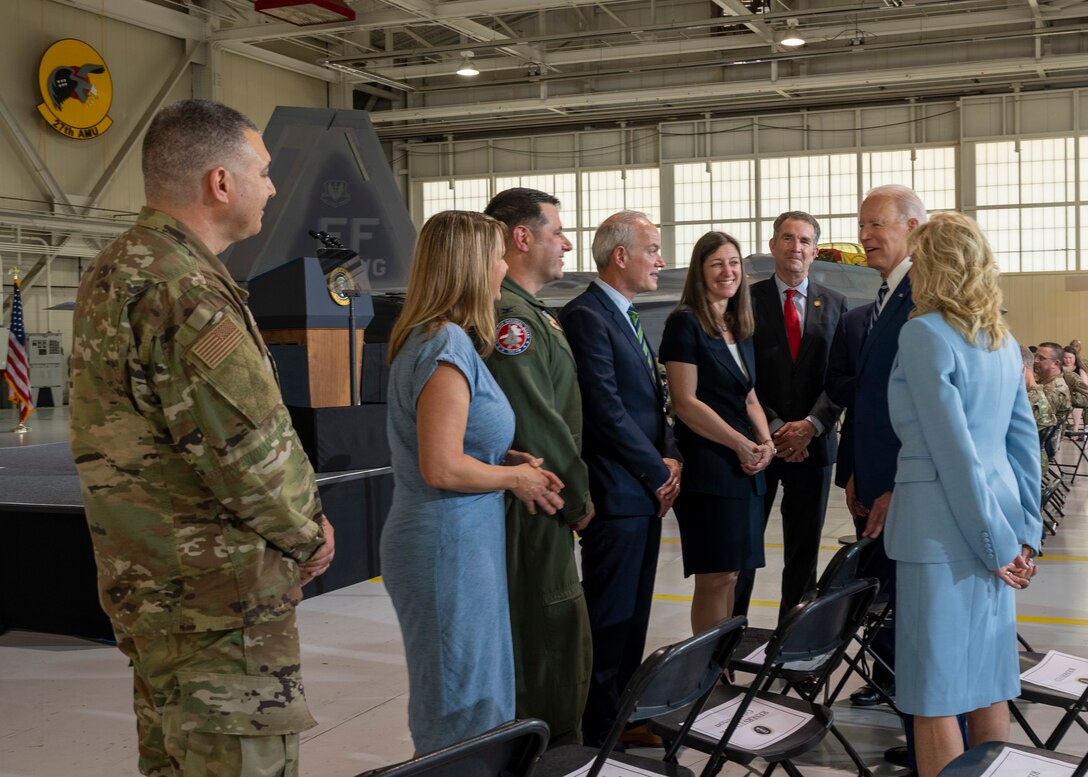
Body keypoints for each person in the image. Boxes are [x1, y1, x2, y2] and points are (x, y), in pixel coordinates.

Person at [69, 98, 336, 777]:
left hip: (158, 591)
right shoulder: (184, 286)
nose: (271, 187)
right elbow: (246, 449)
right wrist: (309, 531)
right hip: (220, 606)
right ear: (221, 183)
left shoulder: (119, 265)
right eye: (265, 171)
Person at [381, 210, 564, 755]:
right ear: (470, 266)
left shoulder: (441, 339)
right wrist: (515, 477)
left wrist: (500, 455)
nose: (504, 266)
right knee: (458, 705)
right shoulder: (445, 345)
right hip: (446, 543)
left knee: (477, 695)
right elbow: (440, 466)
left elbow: (450, 444)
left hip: (460, 539)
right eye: (497, 256)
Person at [883, 211, 1042, 777]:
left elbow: (954, 454)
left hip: (941, 537)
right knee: (987, 683)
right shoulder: (1002, 340)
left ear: (934, 267)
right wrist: (1023, 534)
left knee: (933, 695)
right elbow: (1023, 444)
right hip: (995, 523)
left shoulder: (924, 333)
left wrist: (999, 546)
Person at [560, 210, 682, 748]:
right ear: (621, 255)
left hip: (643, 489)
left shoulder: (625, 314)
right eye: (652, 249)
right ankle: (593, 726)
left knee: (633, 616)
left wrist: (671, 456)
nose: (661, 260)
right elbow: (605, 409)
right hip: (617, 492)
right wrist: (657, 470)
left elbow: (653, 398)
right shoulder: (587, 315)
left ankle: (618, 716)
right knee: (609, 617)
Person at [482, 188, 593, 746]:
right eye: (557, 231)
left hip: (544, 496)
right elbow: (536, 423)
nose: (567, 242)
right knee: (547, 630)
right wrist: (577, 496)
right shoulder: (510, 318)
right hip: (536, 501)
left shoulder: (530, 314)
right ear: (521, 238)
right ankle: (546, 750)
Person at [825, 183, 926, 768]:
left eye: (875, 225)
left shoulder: (920, 298)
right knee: (898, 613)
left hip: (906, 494)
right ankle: (920, 734)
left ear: (912, 227)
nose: (864, 236)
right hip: (879, 485)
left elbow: (918, 411)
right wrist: (861, 471)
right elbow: (867, 398)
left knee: (914, 620)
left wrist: (894, 484)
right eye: (861, 225)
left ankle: (931, 746)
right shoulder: (885, 295)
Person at [734, 212, 847, 621]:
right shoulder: (744, 301)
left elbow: (841, 374)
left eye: (804, 240)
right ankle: (728, 640)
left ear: (815, 251)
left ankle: (791, 640)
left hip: (813, 447)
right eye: (787, 238)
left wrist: (811, 426)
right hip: (757, 446)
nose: (795, 247)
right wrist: (778, 429)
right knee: (745, 549)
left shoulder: (836, 304)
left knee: (803, 552)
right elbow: (739, 373)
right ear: (772, 246)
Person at [659, 232, 773, 636]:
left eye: (734, 263)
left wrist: (766, 441)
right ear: (700, 271)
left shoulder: (736, 325)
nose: (728, 272)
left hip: (744, 468)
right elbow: (687, 404)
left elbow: (749, 394)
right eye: (717, 264)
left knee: (732, 574)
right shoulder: (684, 323)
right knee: (714, 576)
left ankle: (720, 660)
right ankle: (705, 671)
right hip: (710, 467)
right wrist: (741, 443)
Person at [1034, 342, 1072, 423]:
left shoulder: (1055, 390)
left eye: (1041, 358)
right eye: (1035, 357)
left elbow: (1039, 423)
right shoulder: (1044, 382)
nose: (1035, 361)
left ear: (1056, 364)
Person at [1061, 345, 1088, 431]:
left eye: (1070, 358)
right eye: (1065, 358)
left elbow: (1085, 386)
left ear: (1075, 358)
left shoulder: (1080, 369)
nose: (1068, 360)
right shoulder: (1059, 368)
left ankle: (1076, 427)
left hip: (1076, 395)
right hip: (1062, 394)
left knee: (1077, 400)